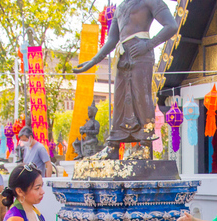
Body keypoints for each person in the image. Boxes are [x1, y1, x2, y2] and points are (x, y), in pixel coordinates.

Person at [73, 0, 178, 145]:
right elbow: (112, 39)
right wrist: (94, 60)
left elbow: (171, 26)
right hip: (122, 53)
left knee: (141, 95)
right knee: (120, 99)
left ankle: (145, 143)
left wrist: (148, 44)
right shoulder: (120, 8)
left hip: (141, 52)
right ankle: (114, 144)